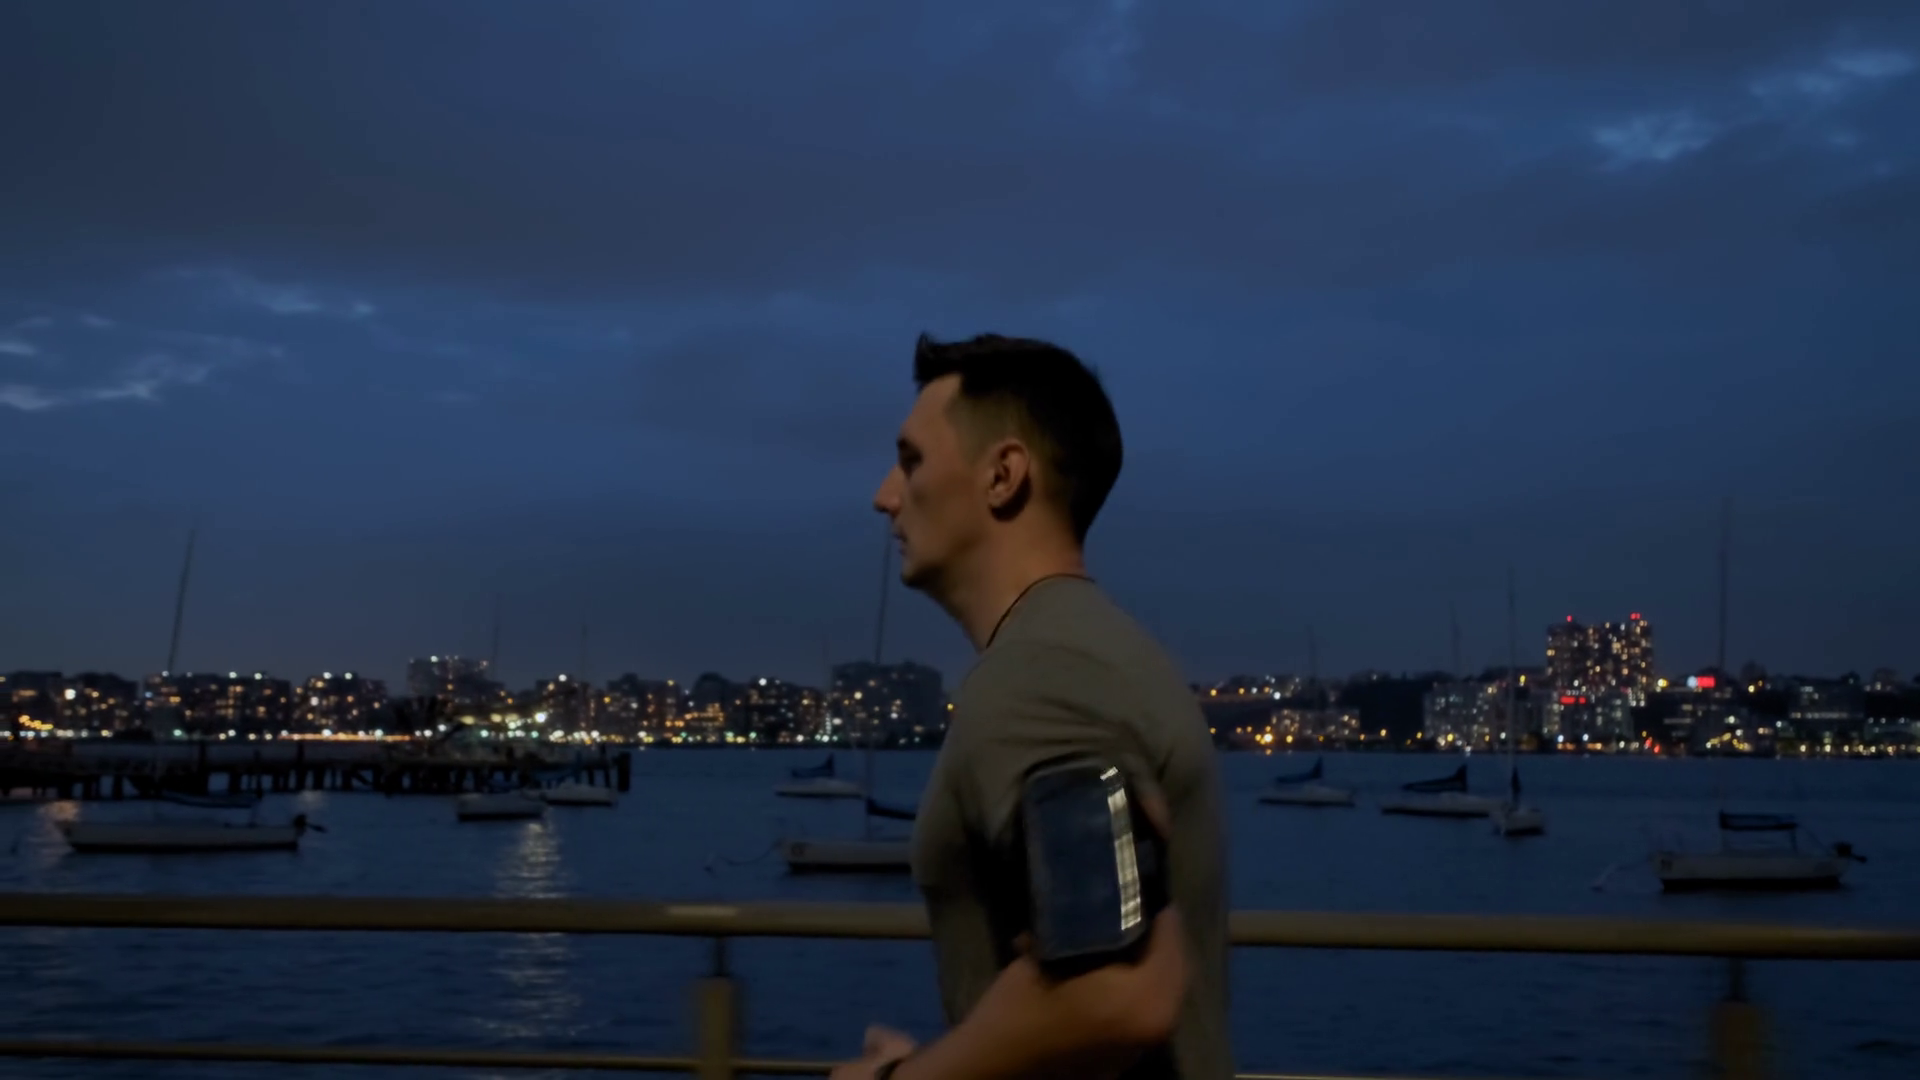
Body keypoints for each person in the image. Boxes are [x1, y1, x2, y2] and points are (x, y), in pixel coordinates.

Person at [830, 333, 1230, 1080]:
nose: (885, 495)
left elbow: (1116, 992)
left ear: (1003, 476)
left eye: (911, 461)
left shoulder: (1043, 673)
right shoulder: (1090, 650)